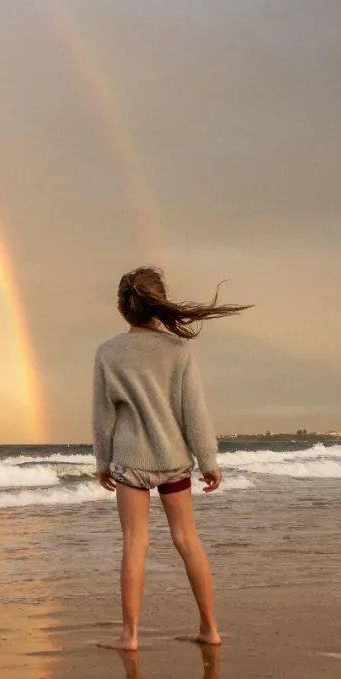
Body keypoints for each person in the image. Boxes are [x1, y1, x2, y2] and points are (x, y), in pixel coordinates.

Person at [92, 266, 249, 650]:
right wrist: (208, 461)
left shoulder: (108, 352)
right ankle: (210, 629)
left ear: (122, 308)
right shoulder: (180, 351)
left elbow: (103, 417)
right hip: (175, 460)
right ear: (158, 305)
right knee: (187, 540)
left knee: (134, 542)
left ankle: (129, 635)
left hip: (130, 463)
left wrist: (102, 462)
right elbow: (193, 412)